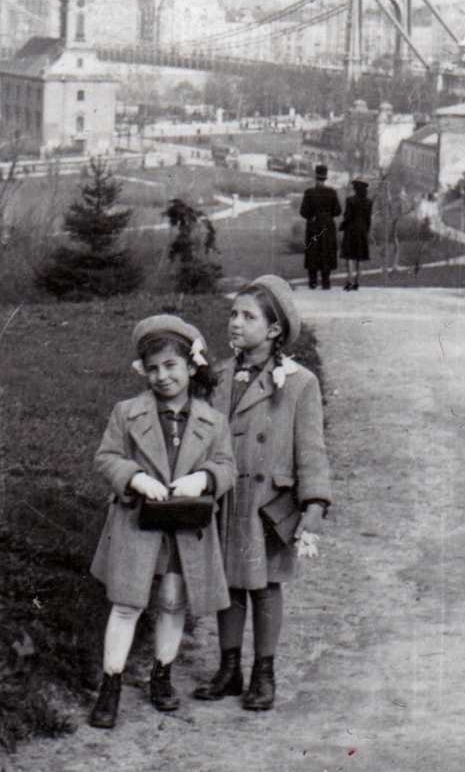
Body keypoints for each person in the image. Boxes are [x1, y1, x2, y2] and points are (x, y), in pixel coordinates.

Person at [89, 316, 237, 729]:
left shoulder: (212, 421)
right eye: (152, 368)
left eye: (171, 366)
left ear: (191, 367)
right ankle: (111, 684)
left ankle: (161, 674)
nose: (162, 376)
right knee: (126, 603)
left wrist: (204, 478)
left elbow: (228, 466)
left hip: (184, 527)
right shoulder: (127, 413)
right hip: (137, 523)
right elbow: (106, 457)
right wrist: (134, 478)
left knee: (173, 600)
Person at [197, 274, 332, 711]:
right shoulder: (217, 376)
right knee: (229, 582)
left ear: (274, 329)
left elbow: (311, 449)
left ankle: (264, 671)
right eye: (233, 314)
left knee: (266, 585)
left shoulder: (297, 383)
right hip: (227, 498)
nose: (235, 323)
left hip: (268, 504)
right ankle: (229, 668)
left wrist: (314, 503)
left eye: (248, 317)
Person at [299, 164, 341, 290]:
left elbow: (303, 212)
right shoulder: (332, 193)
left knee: (313, 252)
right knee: (326, 252)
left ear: (315, 177)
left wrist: (311, 216)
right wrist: (327, 215)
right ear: (325, 177)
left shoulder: (309, 193)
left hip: (313, 225)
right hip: (327, 226)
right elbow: (338, 211)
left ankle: (312, 282)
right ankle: (325, 281)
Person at [339, 178, 373, 291]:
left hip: (351, 230)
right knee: (360, 256)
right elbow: (368, 219)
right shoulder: (369, 202)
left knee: (349, 256)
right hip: (362, 230)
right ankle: (357, 281)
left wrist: (342, 226)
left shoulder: (350, 200)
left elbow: (347, 216)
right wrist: (367, 230)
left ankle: (349, 281)